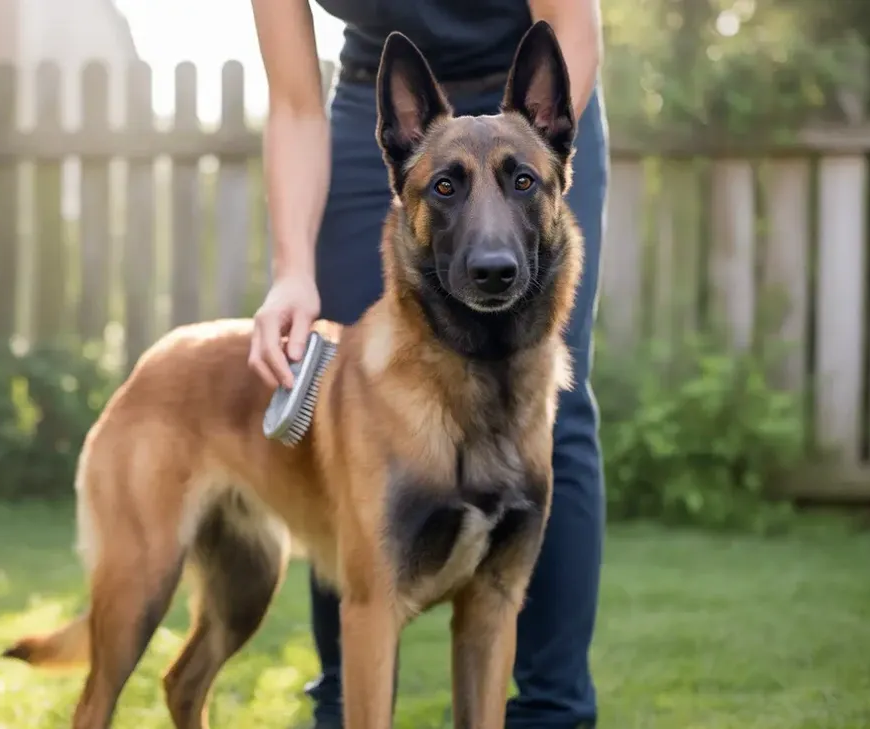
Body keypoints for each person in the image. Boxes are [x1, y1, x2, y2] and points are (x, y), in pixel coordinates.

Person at [245, 1, 608, 727]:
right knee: (345, 410)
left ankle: (552, 714)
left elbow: (571, 24)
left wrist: (539, 142)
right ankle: (344, 705)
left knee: (553, 412)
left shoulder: (538, 136)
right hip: (383, 100)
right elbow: (292, 102)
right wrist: (292, 267)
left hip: (532, 92)